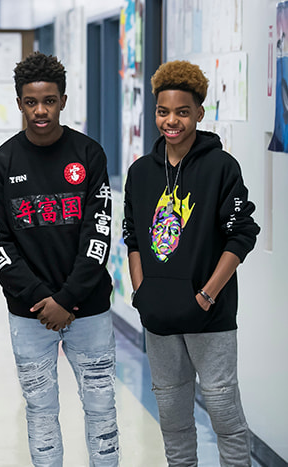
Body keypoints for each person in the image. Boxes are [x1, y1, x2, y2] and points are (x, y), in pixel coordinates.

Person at [0, 52, 119, 467]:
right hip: (30, 314)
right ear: (20, 102)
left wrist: (69, 299)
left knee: (101, 410)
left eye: (49, 101)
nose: (40, 111)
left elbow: (99, 233)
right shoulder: (2, 163)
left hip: (90, 309)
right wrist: (41, 299)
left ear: (63, 100)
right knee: (40, 412)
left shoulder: (89, 154)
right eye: (31, 101)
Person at [123, 60, 260, 466]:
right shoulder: (141, 173)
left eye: (183, 112)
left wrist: (206, 294)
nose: (172, 121)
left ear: (199, 113)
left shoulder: (221, 167)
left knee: (224, 415)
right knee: (173, 421)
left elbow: (242, 234)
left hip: (209, 318)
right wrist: (141, 290)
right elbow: (132, 235)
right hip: (159, 318)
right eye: (164, 111)